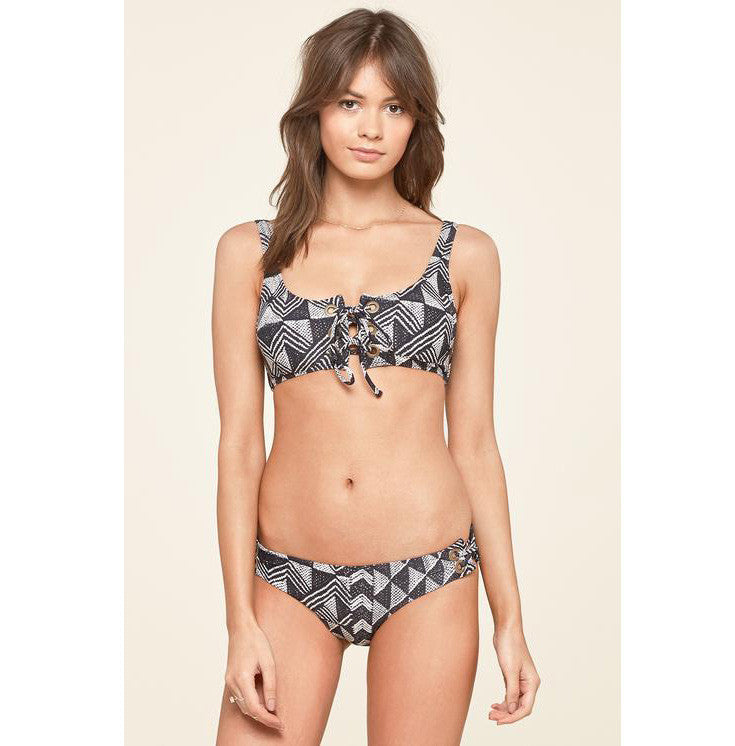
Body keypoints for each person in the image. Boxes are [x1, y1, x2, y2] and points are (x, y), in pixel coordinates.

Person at [212, 9, 539, 744]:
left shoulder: (465, 255)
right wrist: (239, 622)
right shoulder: (250, 254)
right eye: (350, 102)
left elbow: (476, 444)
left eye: (394, 107)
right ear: (316, 111)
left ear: (417, 122)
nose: (370, 128)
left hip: (431, 574)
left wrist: (510, 620)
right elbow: (239, 445)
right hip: (288, 576)